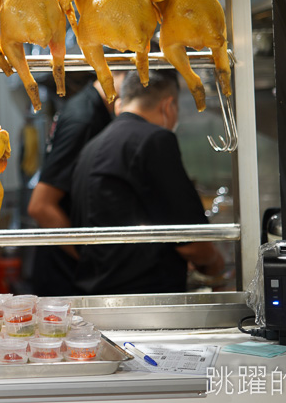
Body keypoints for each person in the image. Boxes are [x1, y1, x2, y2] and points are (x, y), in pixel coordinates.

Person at [69, 70, 224, 295]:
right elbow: (192, 241)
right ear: (168, 106)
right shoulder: (155, 140)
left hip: (95, 299)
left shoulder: (91, 147)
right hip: (145, 299)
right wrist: (216, 266)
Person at [26, 73, 121, 296]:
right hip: (66, 276)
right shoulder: (84, 117)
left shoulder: (92, 108)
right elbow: (40, 207)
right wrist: (94, 261)